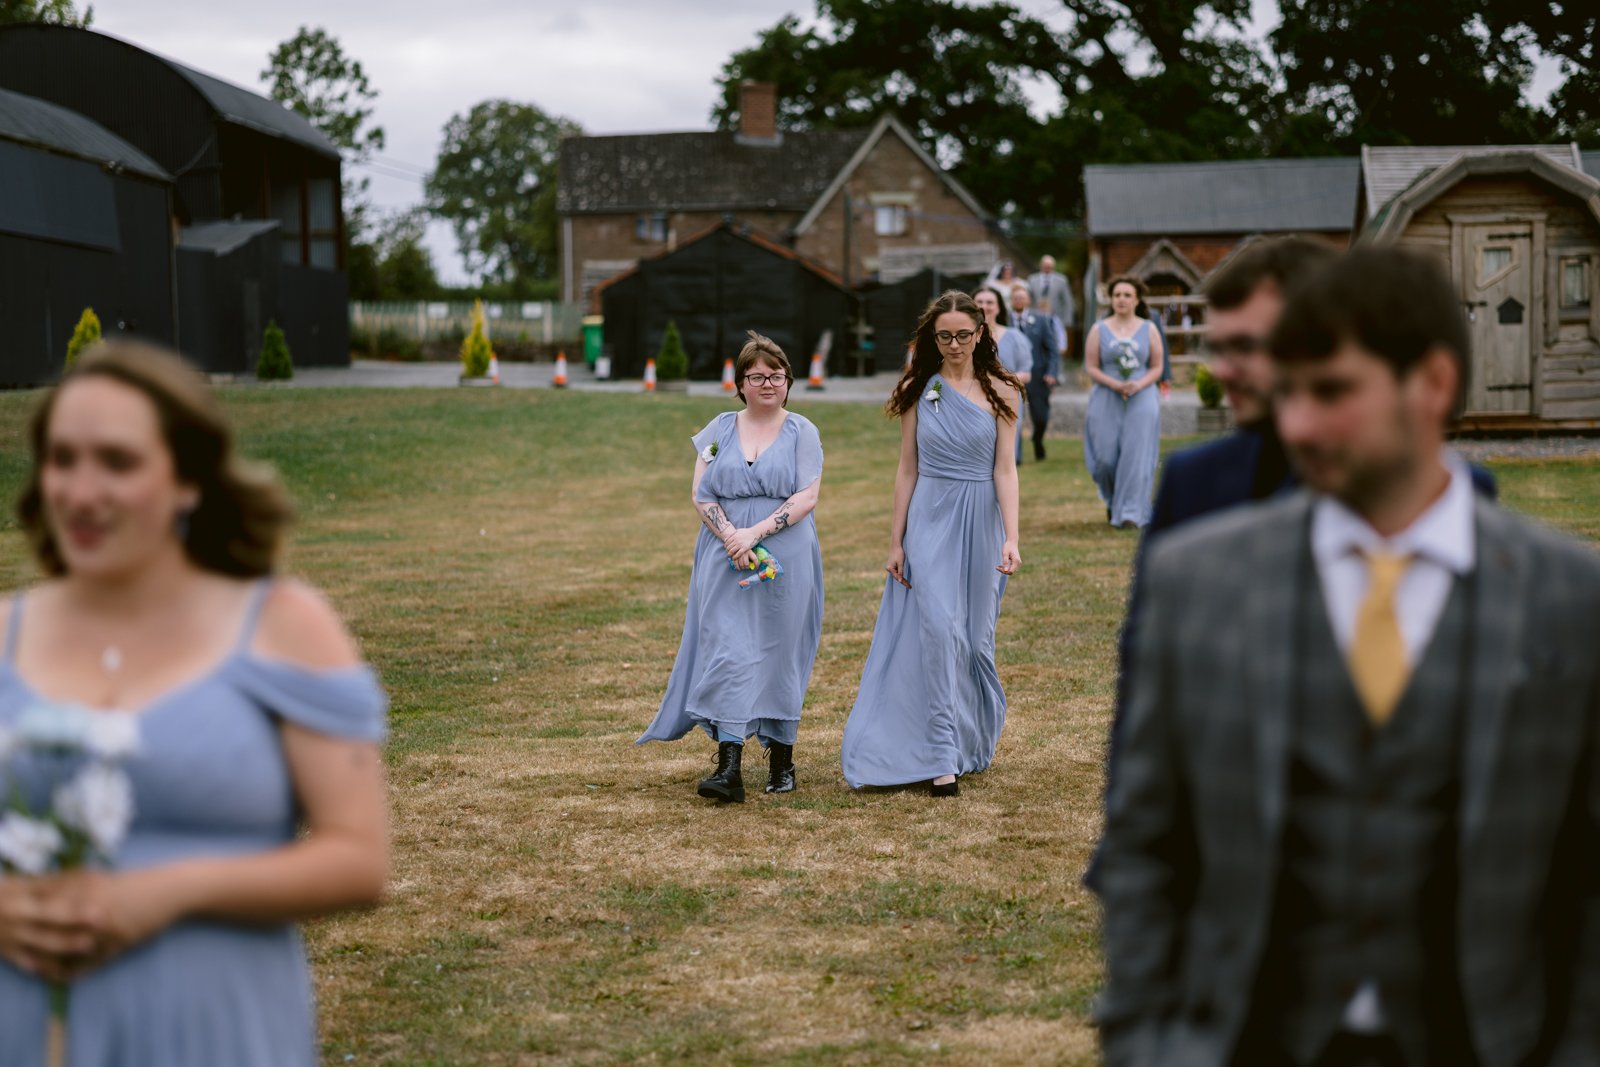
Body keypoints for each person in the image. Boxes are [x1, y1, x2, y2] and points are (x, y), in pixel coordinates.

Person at [1092, 246, 1600, 1067]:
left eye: (1330, 392)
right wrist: (1148, 1041)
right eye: (1288, 393)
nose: (1295, 425)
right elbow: (1148, 841)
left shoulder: (1571, 598)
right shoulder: (1201, 578)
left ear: (1431, 384)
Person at [0, 340, 389, 1066]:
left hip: (216, 1029)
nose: (81, 492)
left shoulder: (283, 625)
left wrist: (169, 890)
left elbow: (360, 859)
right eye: (63, 459)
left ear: (187, 480)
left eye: (117, 462)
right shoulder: (4, 633)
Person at [840, 291, 1022, 797]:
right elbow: (907, 468)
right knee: (939, 628)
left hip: (981, 518)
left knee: (971, 637)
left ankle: (969, 738)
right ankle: (941, 753)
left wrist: (1012, 536)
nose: (956, 343)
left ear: (981, 334)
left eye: (965, 334)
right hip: (931, 517)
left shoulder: (1005, 393)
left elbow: (1005, 470)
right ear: (933, 338)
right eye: (946, 335)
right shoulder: (919, 388)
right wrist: (895, 541)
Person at [638, 332, 823, 803]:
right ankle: (730, 765)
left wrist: (753, 534)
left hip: (786, 554)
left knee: (781, 654)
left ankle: (782, 758)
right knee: (729, 650)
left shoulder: (803, 430)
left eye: (776, 376)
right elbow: (702, 494)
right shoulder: (719, 430)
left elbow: (806, 497)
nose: (767, 383)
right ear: (740, 383)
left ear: (788, 381)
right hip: (723, 557)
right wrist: (731, 537)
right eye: (756, 376)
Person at [1083, 275, 1164, 528]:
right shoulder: (1099, 329)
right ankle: (1112, 499)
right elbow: (1091, 366)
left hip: (1142, 395)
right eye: (1117, 295)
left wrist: (1138, 384)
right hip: (1107, 394)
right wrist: (1115, 384)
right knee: (1105, 457)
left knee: (1135, 455)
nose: (1121, 299)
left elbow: (1157, 366)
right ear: (1111, 298)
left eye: (1127, 295)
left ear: (1137, 299)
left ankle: (1130, 513)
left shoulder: (1149, 328)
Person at [974, 287, 1032, 465]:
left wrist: (1000, 381)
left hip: (1005, 401)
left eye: (990, 302)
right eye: (980, 302)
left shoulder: (1014, 337)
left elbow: (1026, 373)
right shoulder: (963, 337)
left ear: (998, 307)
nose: (985, 306)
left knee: (1004, 458)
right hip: (973, 399)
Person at [1010, 283, 1058, 461]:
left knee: (1041, 417)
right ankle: (1017, 455)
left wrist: (1052, 372)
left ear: (1028, 300)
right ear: (1011, 300)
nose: (1019, 300)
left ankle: (1038, 440)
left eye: (1022, 297)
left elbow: (1052, 350)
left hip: (1038, 377)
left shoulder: (1041, 320)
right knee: (1014, 418)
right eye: (1016, 298)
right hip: (1011, 376)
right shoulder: (1004, 321)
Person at [1028, 254, 1076, 357]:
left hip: (1054, 319)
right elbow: (1029, 300)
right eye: (1045, 265)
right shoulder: (1032, 279)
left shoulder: (1062, 280)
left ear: (1053, 267)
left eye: (1049, 266)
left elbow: (1067, 302)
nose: (1047, 268)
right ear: (1041, 266)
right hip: (1035, 319)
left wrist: (1067, 321)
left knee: (1055, 346)